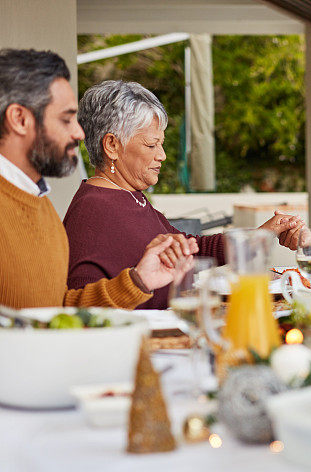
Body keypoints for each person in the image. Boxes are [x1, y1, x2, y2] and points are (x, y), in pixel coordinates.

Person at [64, 80, 307, 309]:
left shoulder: (130, 197)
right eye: (151, 145)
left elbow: (193, 249)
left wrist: (261, 234)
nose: (162, 155)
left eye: (161, 144)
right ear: (112, 146)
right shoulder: (92, 210)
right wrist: (137, 283)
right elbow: (81, 309)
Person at [0, 48, 194, 309]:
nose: (79, 133)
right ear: (19, 119)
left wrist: (139, 281)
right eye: (66, 119)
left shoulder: (40, 206)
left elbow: (60, 309)